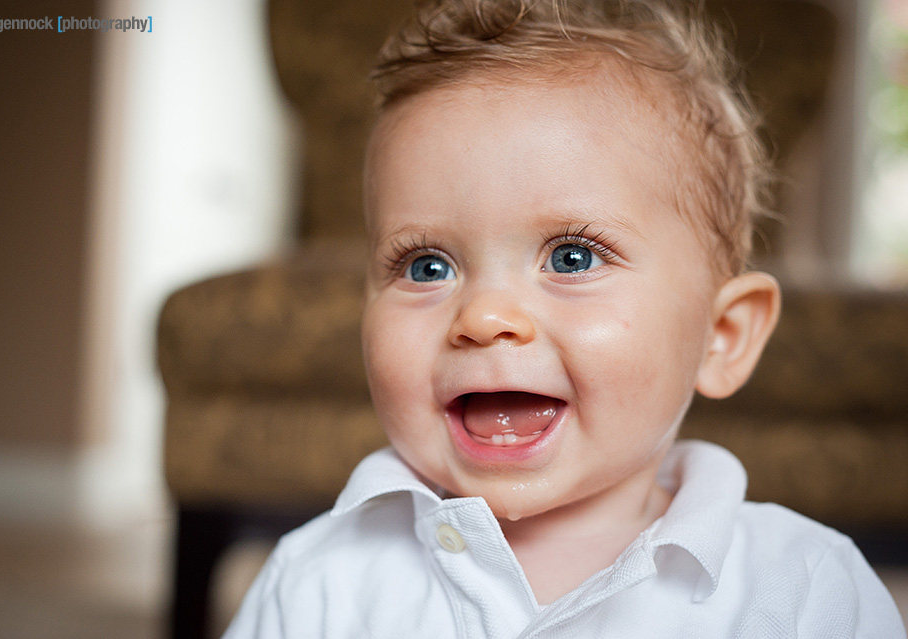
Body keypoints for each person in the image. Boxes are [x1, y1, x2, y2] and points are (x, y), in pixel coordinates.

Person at [224, 0, 906, 636]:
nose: (486, 316)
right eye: (428, 266)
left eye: (573, 256)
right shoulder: (316, 585)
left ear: (722, 336)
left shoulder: (807, 590)